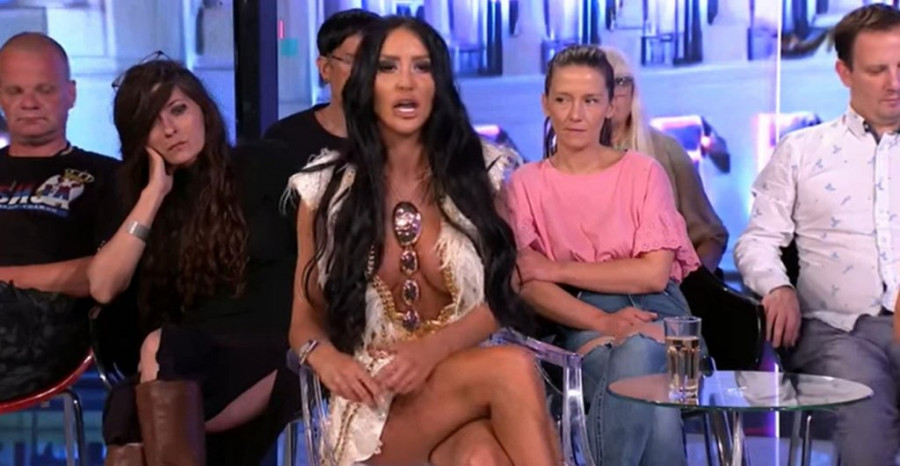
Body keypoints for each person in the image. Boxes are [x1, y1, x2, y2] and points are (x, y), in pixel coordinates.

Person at [288, 16, 560, 466]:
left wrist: (432, 350)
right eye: (388, 67)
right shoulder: (325, 190)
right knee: (513, 367)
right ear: (366, 83)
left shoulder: (482, 173)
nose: (406, 82)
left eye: (422, 66)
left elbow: (503, 291)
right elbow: (302, 319)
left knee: (482, 458)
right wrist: (324, 358)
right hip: (380, 401)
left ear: (439, 84)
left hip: (471, 387)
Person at [90, 58, 298, 465]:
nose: (169, 129)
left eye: (178, 110)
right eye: (152, 122)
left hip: (273, 349)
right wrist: (154, 195)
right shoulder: (135, 198)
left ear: (203, 109)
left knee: (148, 380)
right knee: (141, 391)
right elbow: (103, 287)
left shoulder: (265, 166)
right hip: (188, 362)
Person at [505, 45, 700, 466]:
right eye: (563, 99)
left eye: (590, 101)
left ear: (611, 106)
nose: (576, 114)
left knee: (643, 354)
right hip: (581, 320)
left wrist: (556, 267)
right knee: (655, 399)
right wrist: (603, 321)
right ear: (545, 104)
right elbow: (528, 283)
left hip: (660, 312)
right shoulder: (524, 184)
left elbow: (653, 274)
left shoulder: (644, 172)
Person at [734, 5, 900, 465]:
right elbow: (757, 241)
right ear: (844, 73)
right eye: (877, 70)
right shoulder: (802, 151)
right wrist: (777, 286)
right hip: (837, 330)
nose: (894, 82)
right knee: (866, 417)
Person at [0, 32, 118, 400]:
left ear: (71, 94)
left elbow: (104, 274)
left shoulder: (106, 177)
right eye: (15, 91)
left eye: (44, 90)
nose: (29, 103)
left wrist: (7, 279)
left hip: (48, 332)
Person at [600, 45, 727, 272]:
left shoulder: (666, 151)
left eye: (621, 82)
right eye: (602, 85)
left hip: (665, 286)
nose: (613, 94)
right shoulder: (565, 162)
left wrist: (687, 284)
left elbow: (711, 237)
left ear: (633, 91)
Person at [264, 8, 379, 167]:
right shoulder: (284, 138)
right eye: (352, 61)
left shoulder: (400, 140)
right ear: (325, 68)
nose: (364, 72)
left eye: (374, 62)